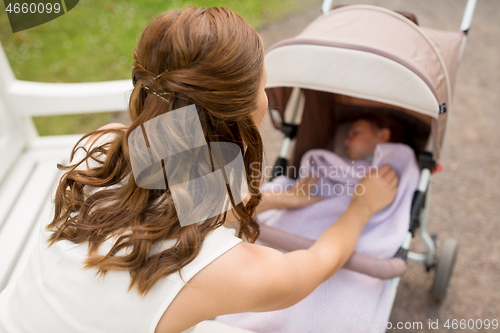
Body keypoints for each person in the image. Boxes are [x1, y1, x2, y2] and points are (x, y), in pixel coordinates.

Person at [0, 7, 398, 333]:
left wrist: (281, 198)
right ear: (247, 114)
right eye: (264, 84)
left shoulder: (100, 146)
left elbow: (187, 190)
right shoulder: (223, 271)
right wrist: (360, 210)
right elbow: (312, 266)